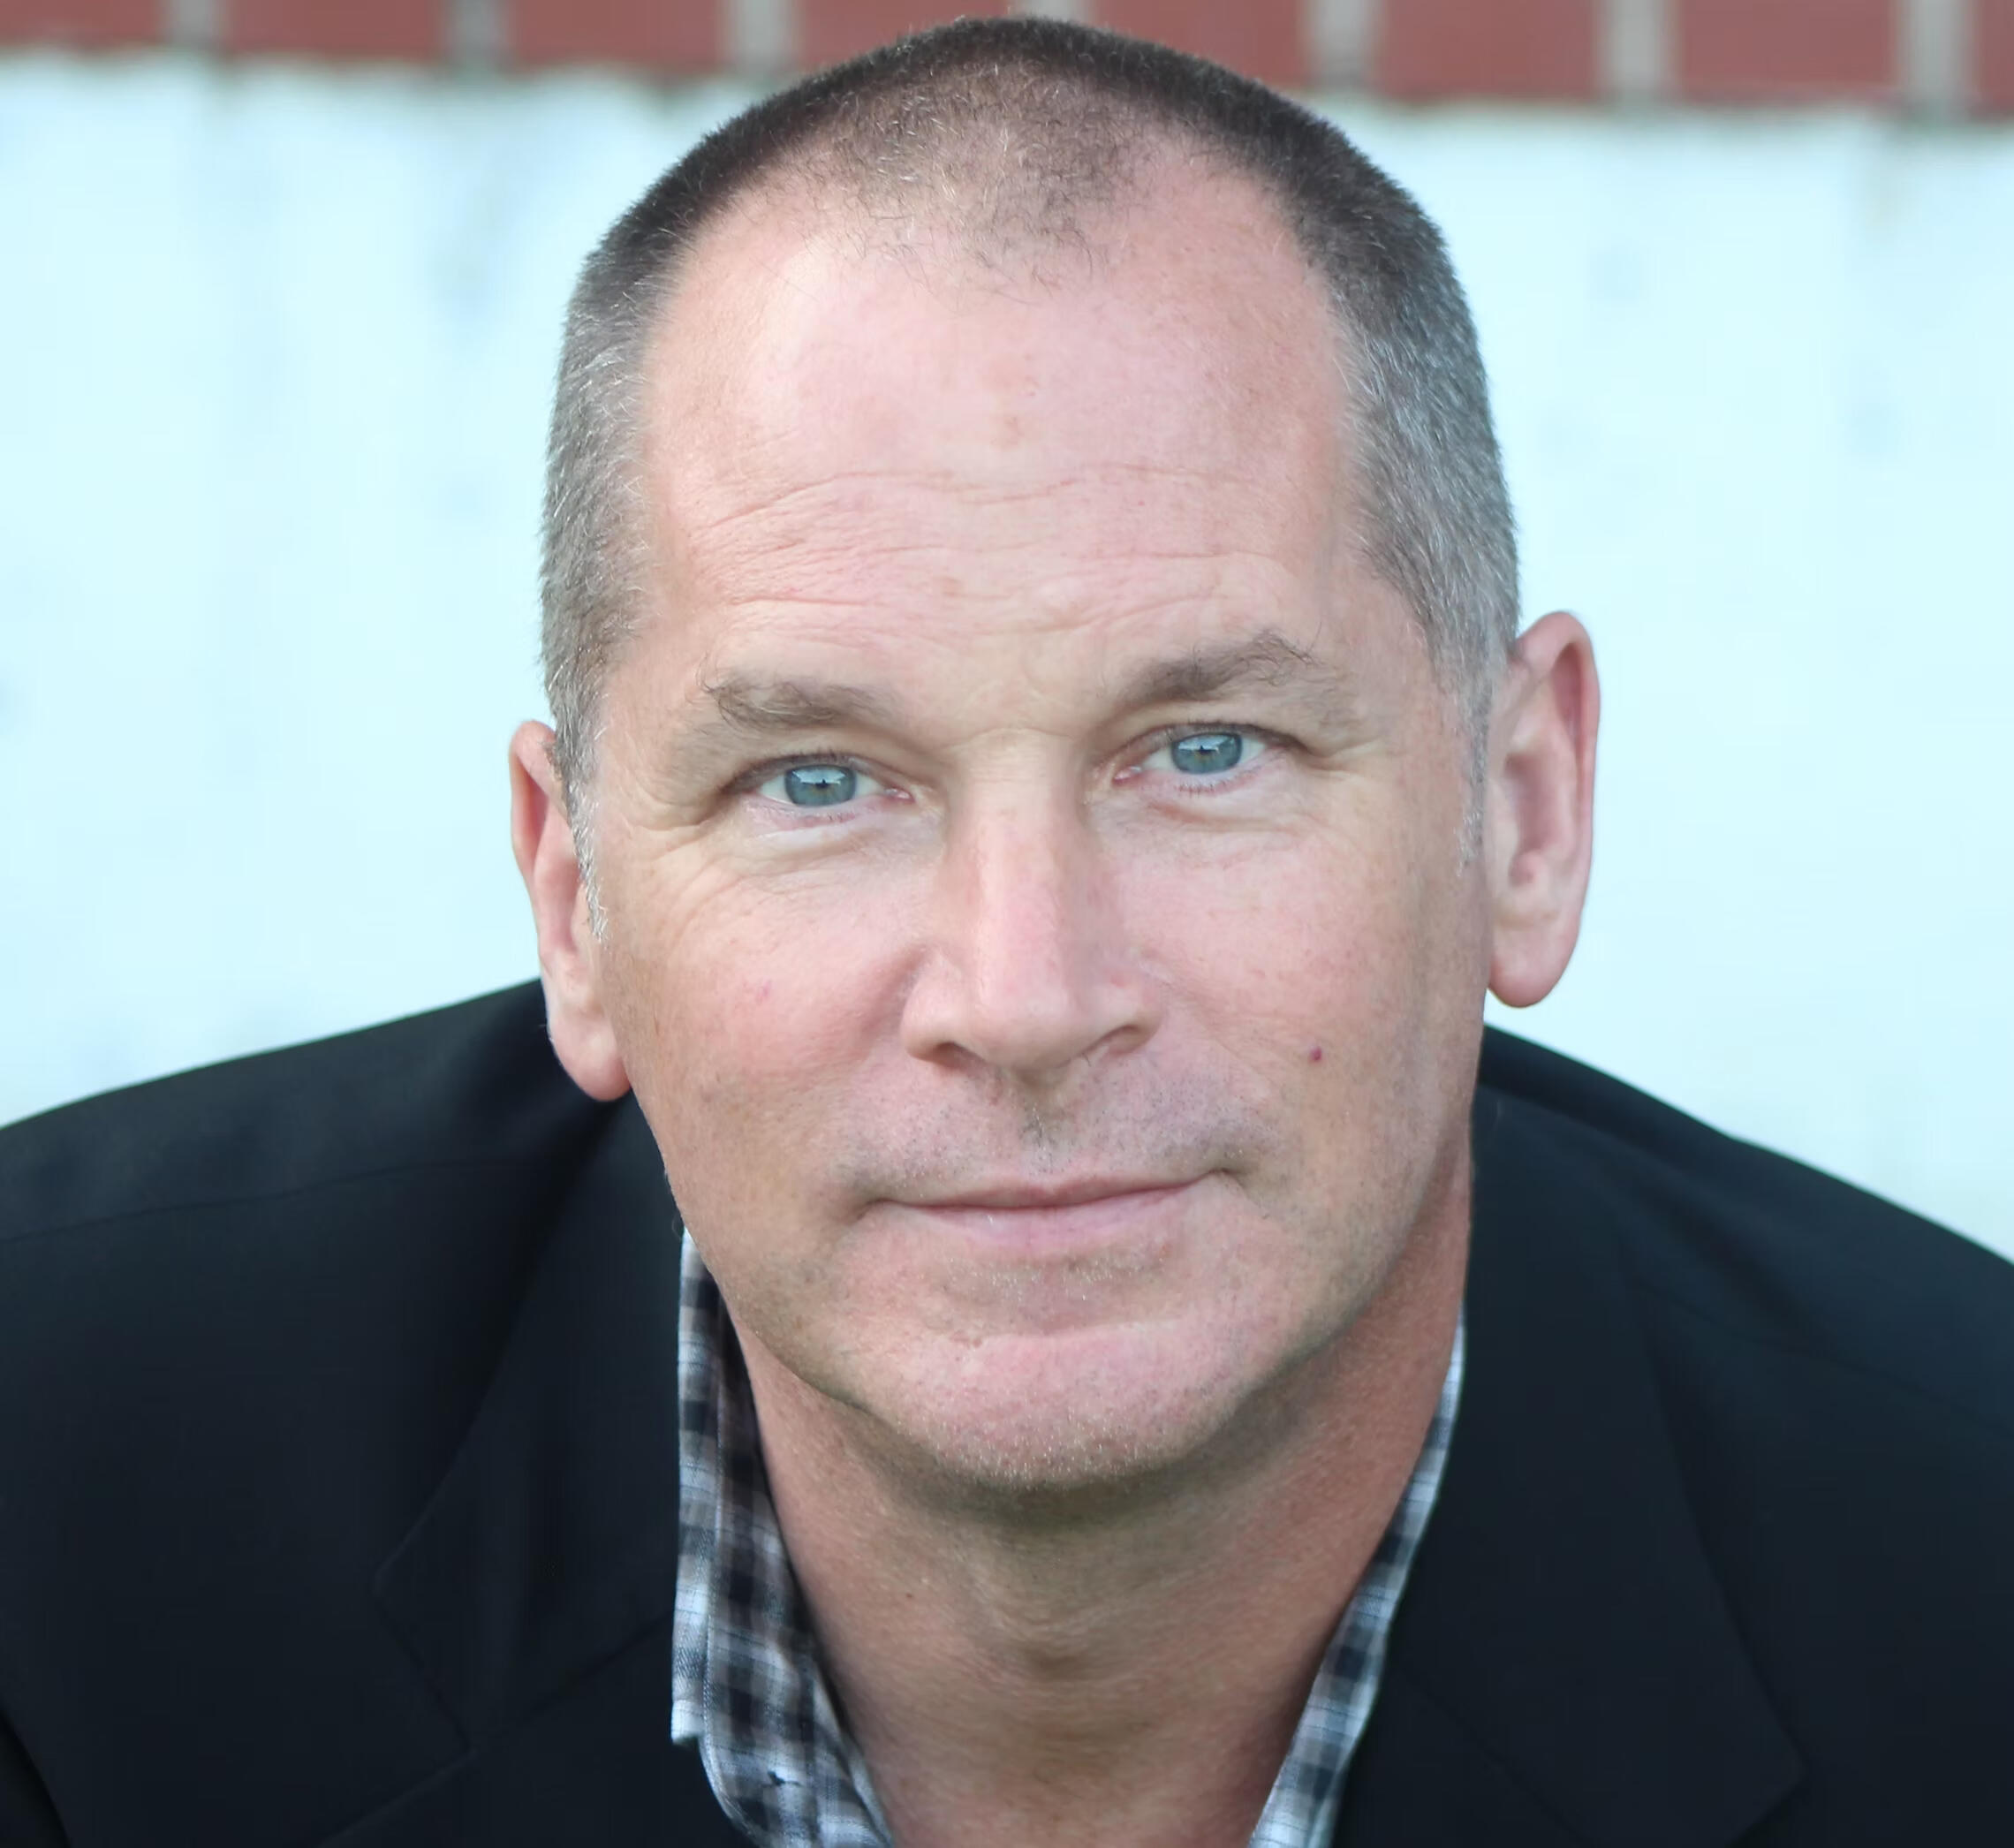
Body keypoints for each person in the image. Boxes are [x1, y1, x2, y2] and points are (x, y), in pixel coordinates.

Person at [2, 18, 2010, 1847]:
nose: (1027, 996)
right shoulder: (52, 1488)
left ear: (1526, 813)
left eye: (1205, 751)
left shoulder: (1967, 1600)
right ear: (577, 898)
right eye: (818, 779)